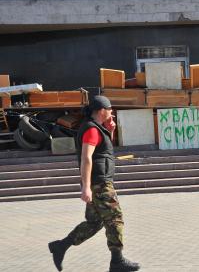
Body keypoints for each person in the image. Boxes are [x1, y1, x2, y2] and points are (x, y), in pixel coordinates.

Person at [48, 95, 140, 272]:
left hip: (98, 182)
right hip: (100, 184)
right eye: (110, 109)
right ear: (101, 110)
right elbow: (86, 158)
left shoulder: (98, 128)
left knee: (94, 222)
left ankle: (60, 246)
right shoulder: (91, 129)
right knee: (115, 219)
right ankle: (117, 261)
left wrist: (110, 130)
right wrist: (86, 187)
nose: (112, 112)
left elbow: (102, 152)